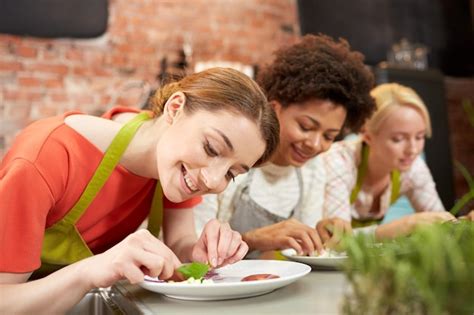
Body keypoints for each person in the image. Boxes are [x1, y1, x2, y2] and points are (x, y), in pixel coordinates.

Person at [0, 67, 280, 313]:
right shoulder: (46, 159)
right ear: (174, 109)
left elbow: (180, 241)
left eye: (231, 173)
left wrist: (199, 252)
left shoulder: (168, 158)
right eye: (211, 149)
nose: (211, 179)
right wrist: (91, 270)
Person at [194, 34, 376, 257]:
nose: (315, 144)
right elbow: (191, 250)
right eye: (306, 126)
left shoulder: (313, 170)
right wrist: (253, 239)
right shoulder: (229, 158)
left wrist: (319, 235)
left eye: (329, 136)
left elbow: (303, 254)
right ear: (275, 108)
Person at [321, 83, 456, 241]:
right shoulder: (339, 160)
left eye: (419, 137)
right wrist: (405, 225)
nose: (412, 150)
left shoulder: (412, 166)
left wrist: (463, 224)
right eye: (398, 139)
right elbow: (336, 240)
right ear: (368, 136)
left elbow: (442, 224)